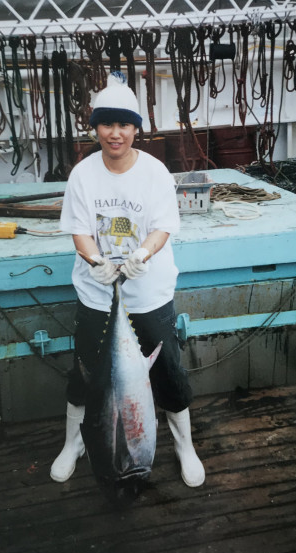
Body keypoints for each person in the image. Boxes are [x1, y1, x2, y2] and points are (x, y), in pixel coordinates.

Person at [51, 72, 205, 488]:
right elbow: (80, 230)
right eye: (106, 124)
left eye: (124, 124)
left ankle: (184, 445)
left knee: (168, 370)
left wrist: (142, 253)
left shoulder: (155, 172)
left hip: (149, 293)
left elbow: (162, 227)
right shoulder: (82, 175)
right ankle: (74, 444)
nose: (114, 133)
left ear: (137, 128)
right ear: (96, 127)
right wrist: (95, 259)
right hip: (97, 294)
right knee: (85, 372)